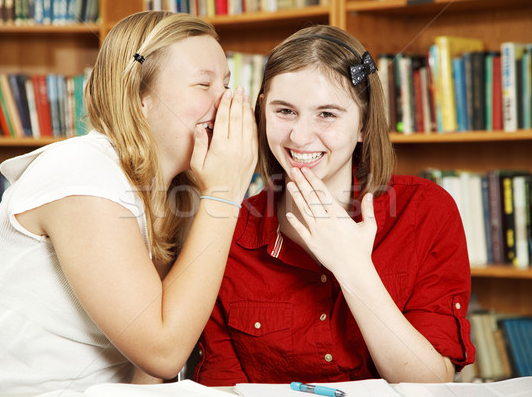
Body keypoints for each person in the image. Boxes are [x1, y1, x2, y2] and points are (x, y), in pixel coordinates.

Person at [0, 11, 257, 393]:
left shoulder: (176, 192)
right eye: (204, 84)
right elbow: (163, 350)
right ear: (139, 97)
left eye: (227, 84)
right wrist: (226, 193)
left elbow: (151, 371)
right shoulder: (82, 169)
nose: (226, 100)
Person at [195, 25, 475, 386]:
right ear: (262, 111)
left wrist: (353, 267)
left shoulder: (425, 211)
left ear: (363, 124)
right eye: (285, 111)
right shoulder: (228, 235)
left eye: (327, 114)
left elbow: (432, 385)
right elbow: (221, 387)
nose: (300, 136)